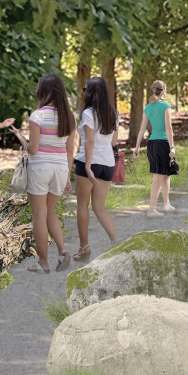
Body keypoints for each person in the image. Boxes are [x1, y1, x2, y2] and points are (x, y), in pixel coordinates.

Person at [23, 74, 77, 272]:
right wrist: (67, 176)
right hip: (60, 168)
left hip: (40, 168)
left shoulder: (37, 116)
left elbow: (33, 149)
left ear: (42, 91)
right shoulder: (69, 117)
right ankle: (62, 251)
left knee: (39, 216)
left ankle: (43, 263)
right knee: (50, 211)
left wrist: (22, 141)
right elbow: (70, 150)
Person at [73, 76, 120, 259]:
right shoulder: (114, 114)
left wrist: (87, 166)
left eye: (85, 89)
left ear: (90, 93)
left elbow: (90, 141)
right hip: (108, 164)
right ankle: (116, 243)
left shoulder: (88, 113)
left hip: (89, 163)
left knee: (82, 205)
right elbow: (114, 142)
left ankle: (84, 248)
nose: (84, 92)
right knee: (99, 207)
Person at [139, 80, 176, 215]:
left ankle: (166, 204)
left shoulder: (148, 107)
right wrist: (172, 147)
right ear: (164, 91)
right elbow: (168, 128)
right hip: (163, 143)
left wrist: (137, 146)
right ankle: (151, 209)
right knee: (158, 176)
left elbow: (142, 128)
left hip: (152, 143)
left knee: (166, 175)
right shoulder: (166, 106)